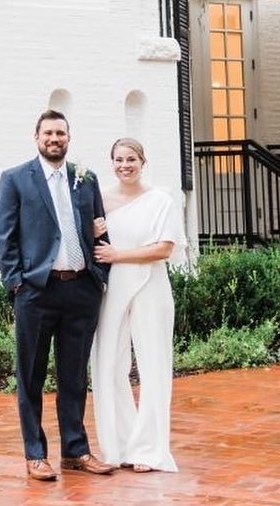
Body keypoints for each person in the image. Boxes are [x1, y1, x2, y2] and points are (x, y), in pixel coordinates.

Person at [0, 109, 116, 482]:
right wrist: (16, 283)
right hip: (36, 291)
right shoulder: (16, 179)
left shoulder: (86, 178)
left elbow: (99, 230)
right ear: (36, 137)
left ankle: (76, 451)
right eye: (48, 133)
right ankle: (35, 454)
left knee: (74, 376)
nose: (54, 139)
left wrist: (100, 276)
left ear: (68, 137)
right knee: (30, 376)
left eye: (60, 133)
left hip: (81, 290)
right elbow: (5, 235)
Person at [90, 136, 185, 473]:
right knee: (108, 363)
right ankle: (119, 444)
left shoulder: (161, 200)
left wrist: (119, 254)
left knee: (153, 364)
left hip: (151, 285)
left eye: (131, 159)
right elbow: (84, 245)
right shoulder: (98, 199)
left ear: (143, 162)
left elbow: (164, 248)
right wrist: (93, 231)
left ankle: (149, 449)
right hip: (111, 289)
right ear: (111, 162)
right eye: (118, 160)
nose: (124, 165)